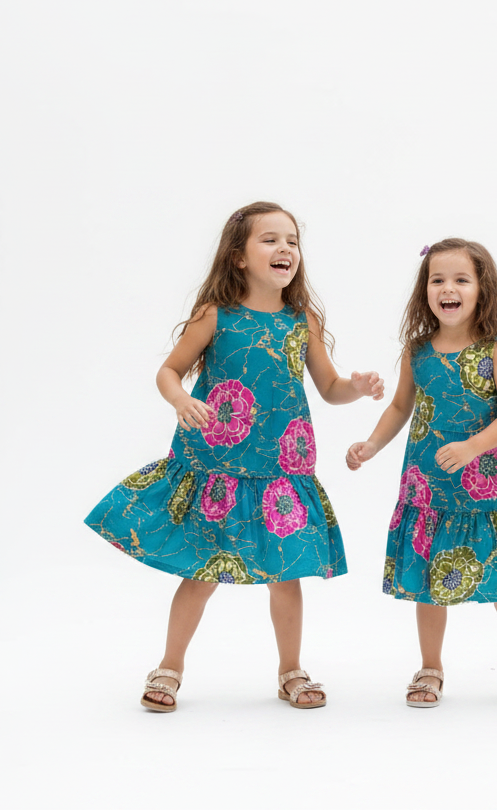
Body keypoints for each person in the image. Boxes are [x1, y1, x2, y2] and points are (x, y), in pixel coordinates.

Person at [86, 201, 385, 712]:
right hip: (218, 466)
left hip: (279, 471)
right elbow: (169, 371)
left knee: (286, 577)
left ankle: (291, 671)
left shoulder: (301, 321)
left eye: (292, 241)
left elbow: (329, 387)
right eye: (270, 239)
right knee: (202, 573)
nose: (284, 248)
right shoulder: (216, 315)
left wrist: (354, 388)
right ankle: (170, 667)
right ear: (239, 256)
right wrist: (181, 400)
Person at [346, 238, 497, 707]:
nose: (448, 288)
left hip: (488, 482)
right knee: (430, 578)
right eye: (438, 280)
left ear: (482, 290)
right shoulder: (417, 350)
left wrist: (471, 448)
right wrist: (370, 445)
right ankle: (430, 667)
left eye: (461, 279)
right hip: (429, 484)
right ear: (425, 291)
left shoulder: (495, 349)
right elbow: (401, 406)